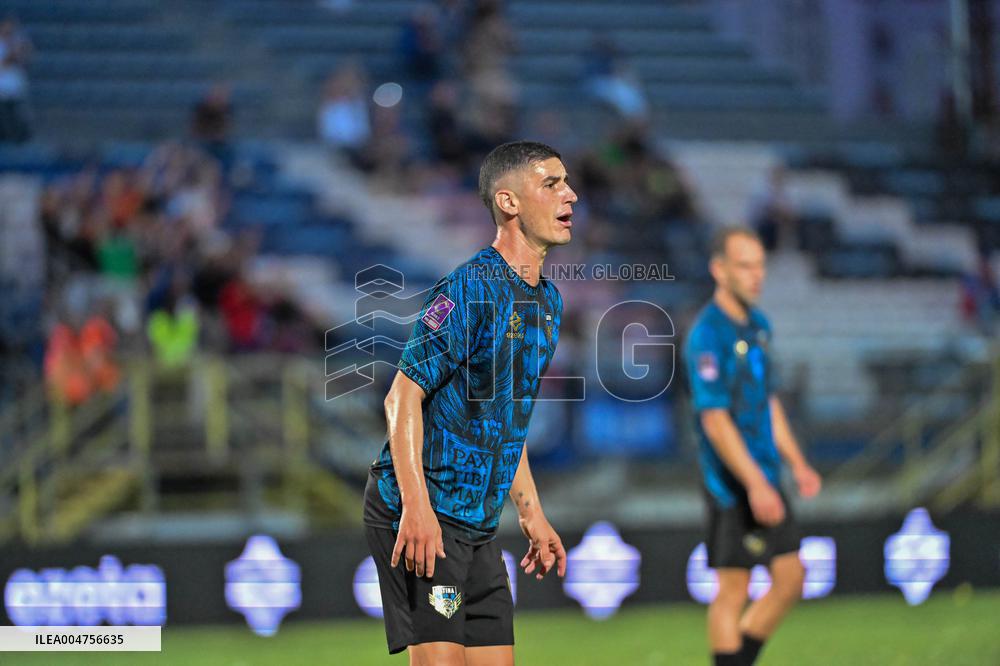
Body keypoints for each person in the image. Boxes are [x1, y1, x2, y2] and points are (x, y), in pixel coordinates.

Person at [364, 141, 576, 665]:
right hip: (423, 513)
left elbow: (507, 422)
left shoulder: (547, 304)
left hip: (476, 526)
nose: (569, 194)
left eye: (566, 182)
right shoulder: (468, 290)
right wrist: (416, 509)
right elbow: (401, 396)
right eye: (550, 184)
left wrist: (531, 514)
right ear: (508, 202)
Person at [683, 227, 822, 666]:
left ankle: (736, 662)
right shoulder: (707, 335)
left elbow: (767, 404)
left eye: (760, 264)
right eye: (745, 265)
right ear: (719, 270)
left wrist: (796, 463)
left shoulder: (759, 326)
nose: (756, 275)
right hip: (731, 480)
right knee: (734, 588)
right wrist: (755, 483)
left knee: (790, 578)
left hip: (765, 472)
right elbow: (715, 419)